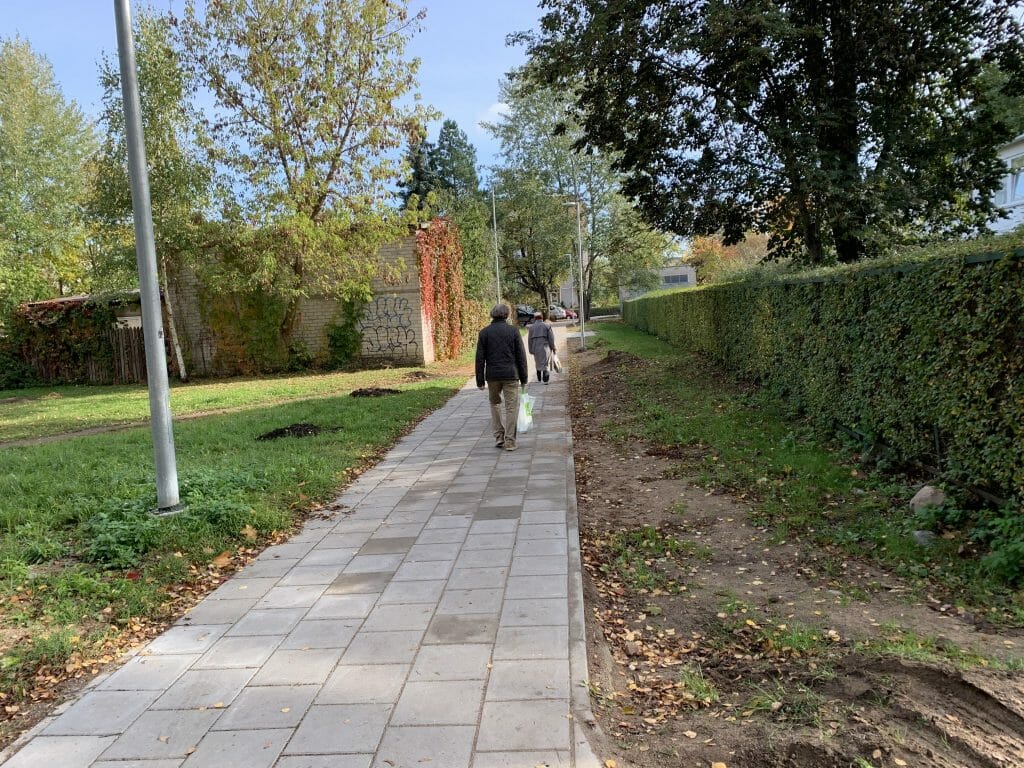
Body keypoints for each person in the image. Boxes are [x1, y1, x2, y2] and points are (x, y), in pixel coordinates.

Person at [475, 303, 529, 451]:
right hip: (511, 375)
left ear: (492, 314)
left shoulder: (484, 333)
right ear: (507, 315)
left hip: (492, 376)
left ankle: (499, 436)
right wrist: (524, 378)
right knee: (511, 407)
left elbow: (480, 358)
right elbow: (521, 356)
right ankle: (510, 441)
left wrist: (480, 380)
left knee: (495, 404)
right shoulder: (513, 331)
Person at [527, 310, 557, 384]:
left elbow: (529, 340)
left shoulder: (531, 328)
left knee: (538, 362)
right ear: (542, 318)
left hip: (535, 348)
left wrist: (530, 349)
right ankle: (545, 380)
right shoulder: (547, 326)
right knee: (545, 363)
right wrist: (553, 348)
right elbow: (551, 338)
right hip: (545, 347)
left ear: (535, 318)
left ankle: (539, 379)